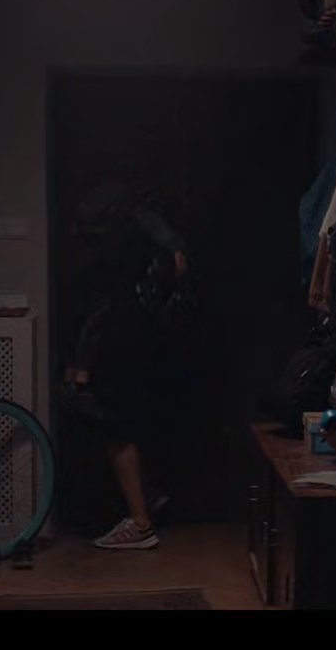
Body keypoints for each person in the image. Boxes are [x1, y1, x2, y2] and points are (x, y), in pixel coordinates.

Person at [65, 178, 187, 550]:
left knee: (115, 430)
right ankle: (147, 496)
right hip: (141, 335)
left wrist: (80, 366)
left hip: (115, 339)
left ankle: (140, 523)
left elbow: (96, 311)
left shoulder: (101, 251)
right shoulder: (144, 234)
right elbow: (177, 263)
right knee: (124, 424)